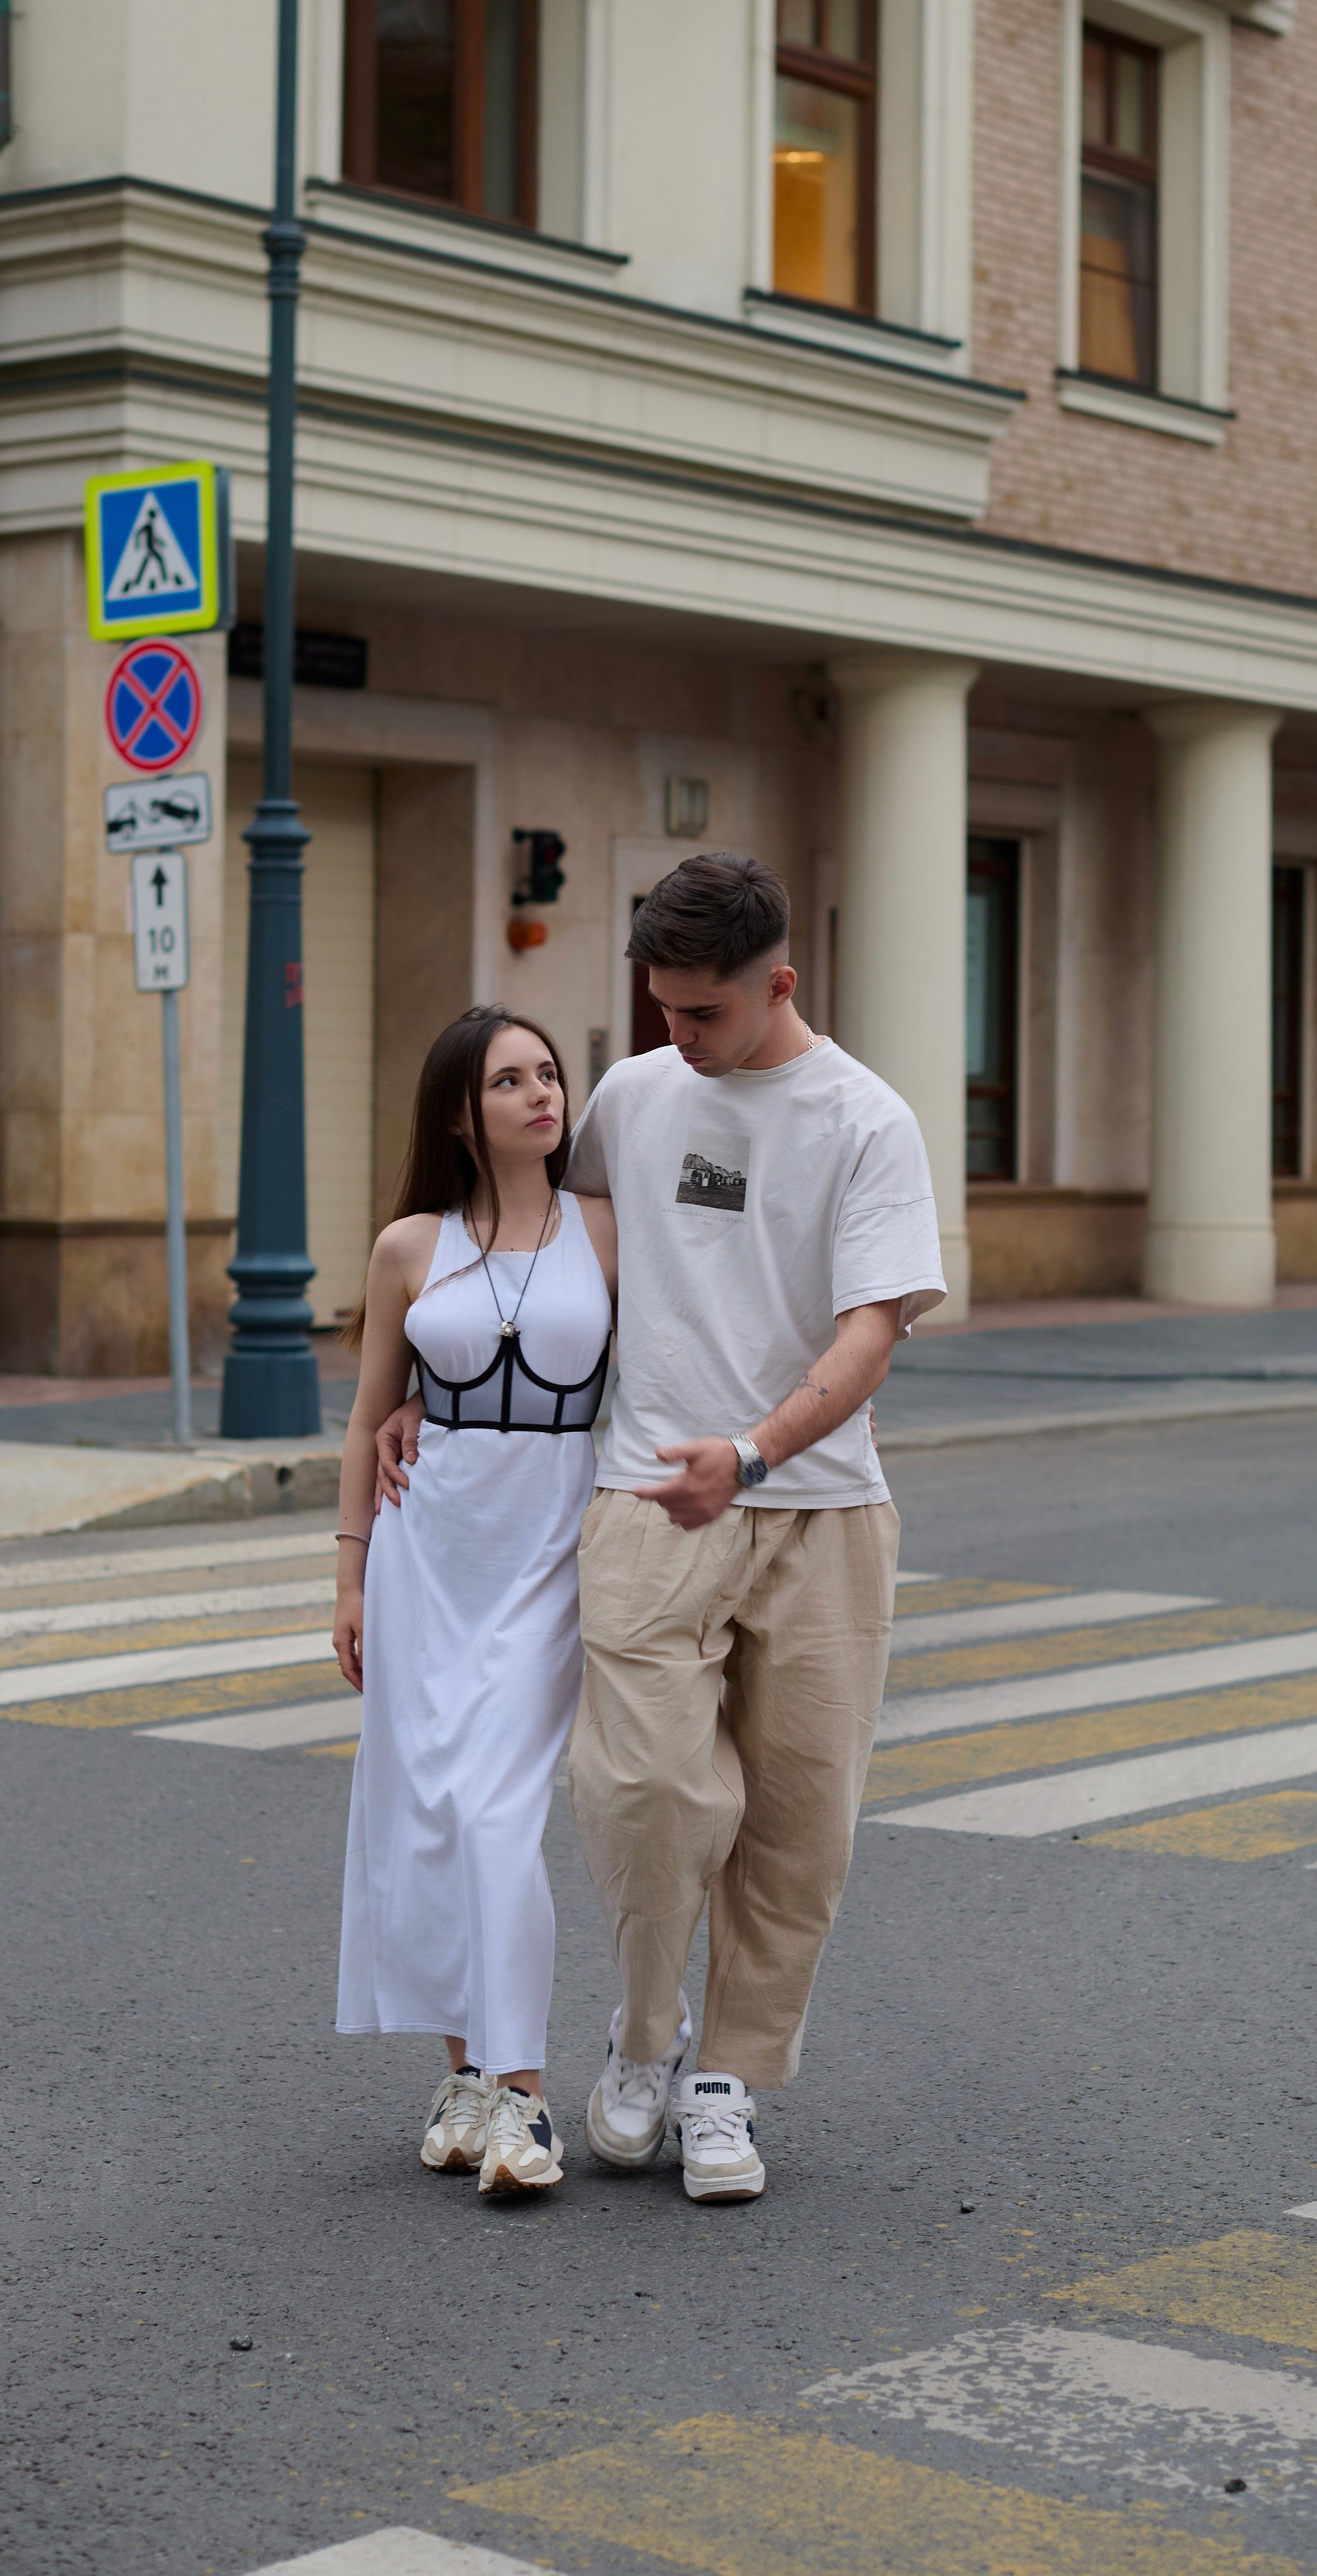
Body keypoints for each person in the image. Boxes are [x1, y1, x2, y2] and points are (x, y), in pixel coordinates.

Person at [380, 852, 945, 2205]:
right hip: (641, 1501)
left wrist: (751, 1452)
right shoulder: (635, 1096)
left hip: (819, 1510)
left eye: (704, 1013)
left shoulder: (868, 1121)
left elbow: (874, 1331)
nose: (674, 1038)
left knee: (800, 1821)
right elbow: (527, 1252)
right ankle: (641, 2039)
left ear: (779, 985)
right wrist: (424, 1388)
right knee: (643, 1794)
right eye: (659, 1008)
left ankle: (724, 2080)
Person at [334, 1006, 615, 2199]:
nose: (543, 1094)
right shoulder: (410, 1246)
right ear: (462, 1109)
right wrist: (348, 1577)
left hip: (550, 1545)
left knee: (498, 1814)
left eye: (550, 1074)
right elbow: (369, 1416)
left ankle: (529, 2100)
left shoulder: (608, 1230)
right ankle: (466, 2078)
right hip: (425, 1548)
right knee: (434, 1811)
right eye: (511, 1080)